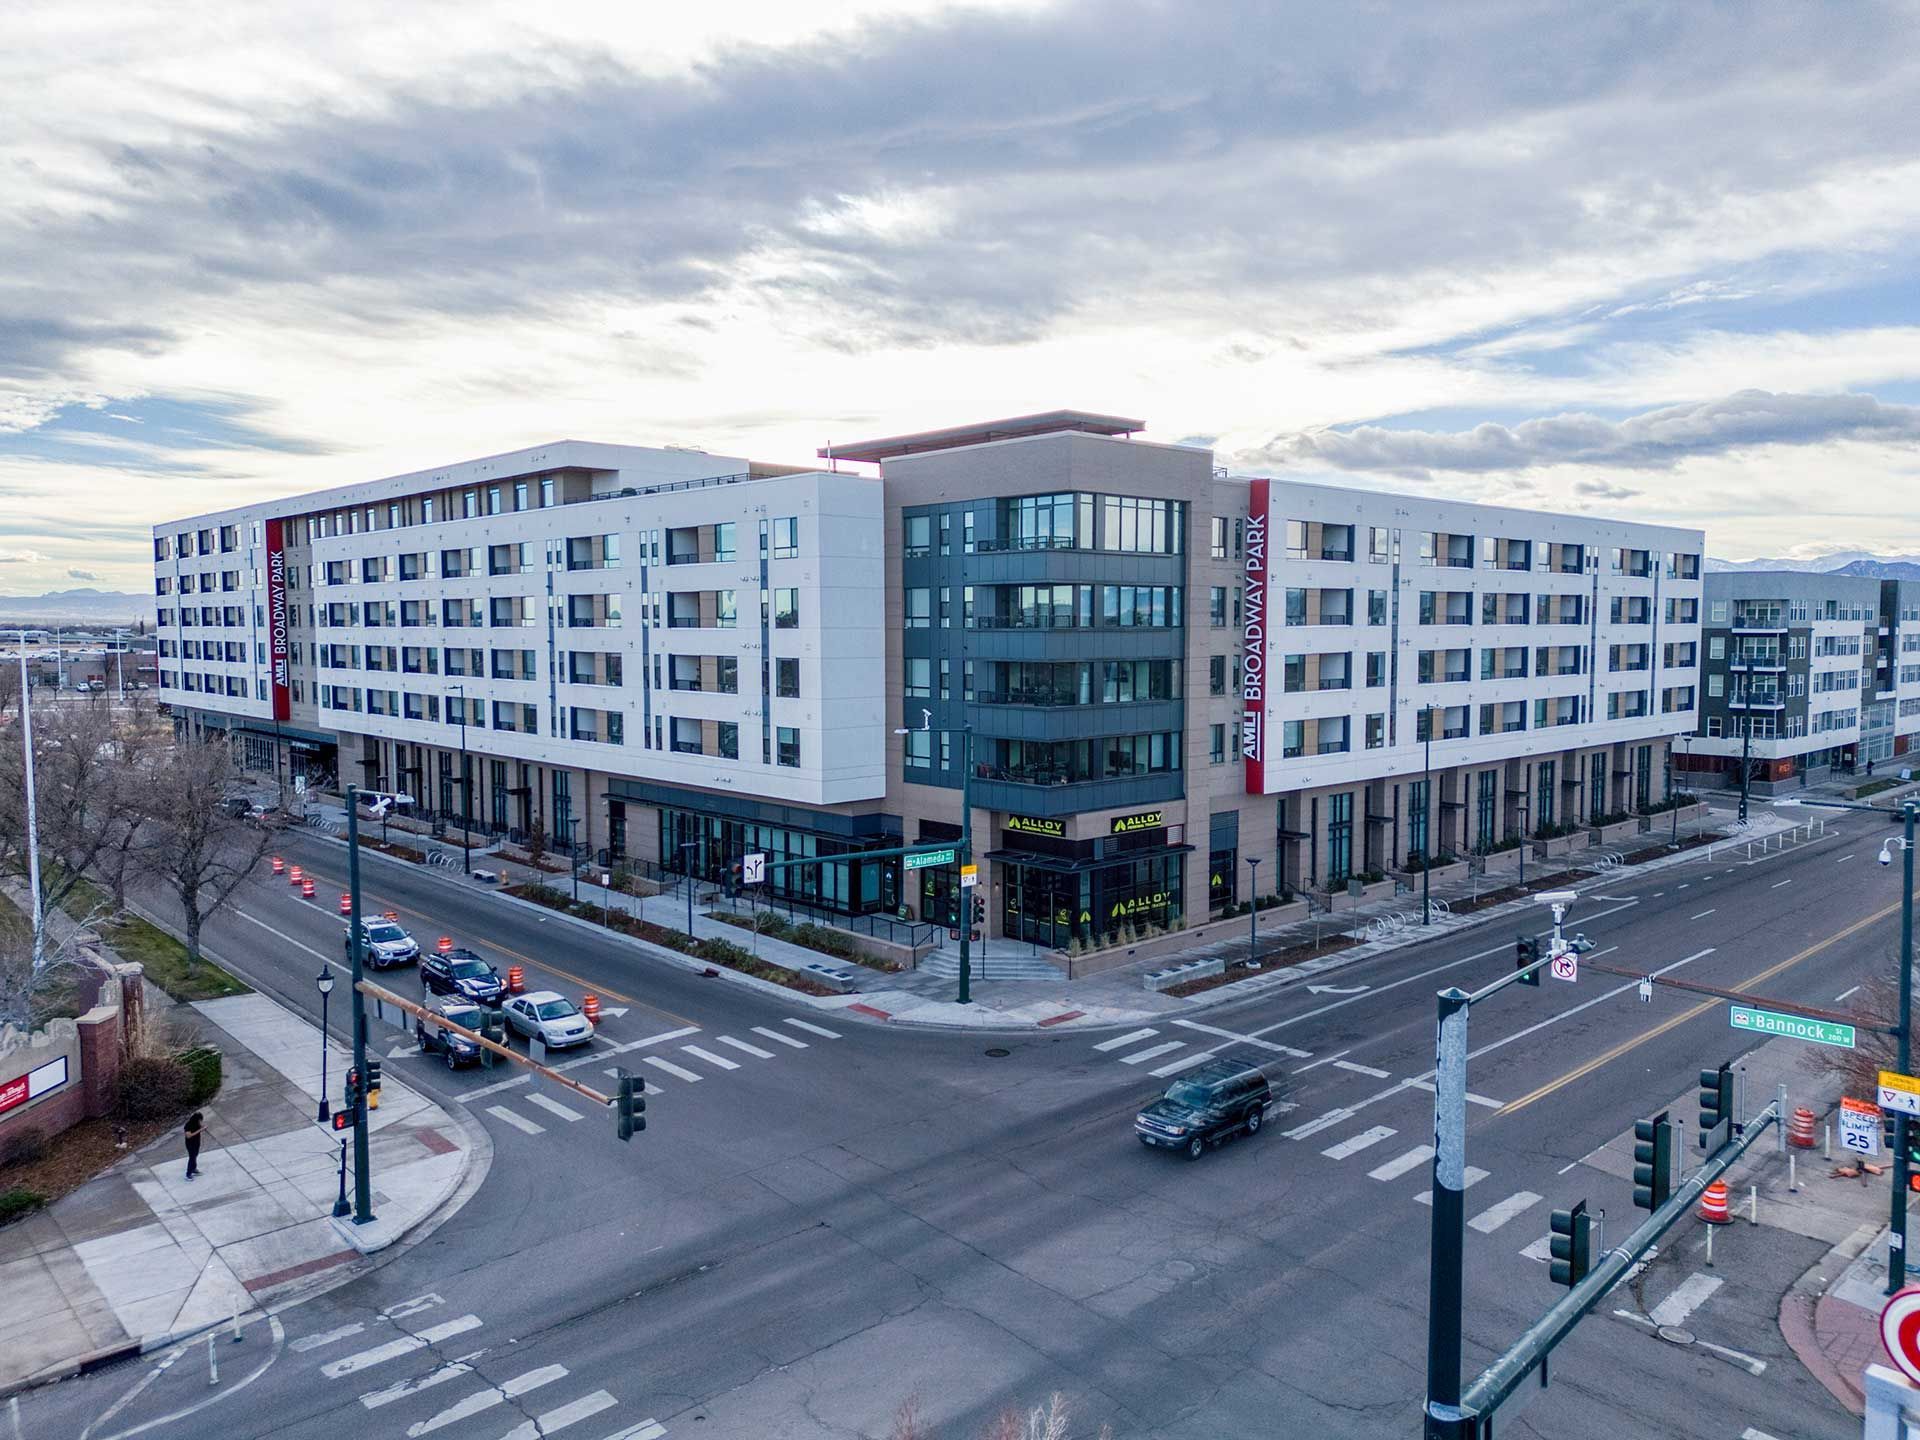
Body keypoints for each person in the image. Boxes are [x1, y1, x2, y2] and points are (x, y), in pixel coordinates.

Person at [184, 1111, 204, 1180]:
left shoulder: (197, 1123)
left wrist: (202, 1127)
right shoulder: (188, 1125)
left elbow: (200, 1127)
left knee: (195, 1155)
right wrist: (200, 1130)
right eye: (200, 1120)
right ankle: (188, 1174)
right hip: (190, 1144)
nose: (200, 1121)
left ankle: (193, 1169)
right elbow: (188, 1136)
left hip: (196, 1142)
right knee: (192, 1157)